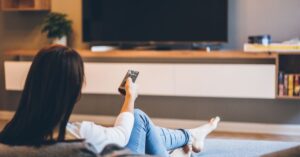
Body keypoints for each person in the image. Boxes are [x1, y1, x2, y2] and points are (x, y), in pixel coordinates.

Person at [0, 45, 220, 157]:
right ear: (76, 90)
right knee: (138, 117)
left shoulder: (9, 136)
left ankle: (190, 136)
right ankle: (185, 146)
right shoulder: (80, 136)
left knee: (138, 118)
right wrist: (130, 97)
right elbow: (122, 135)